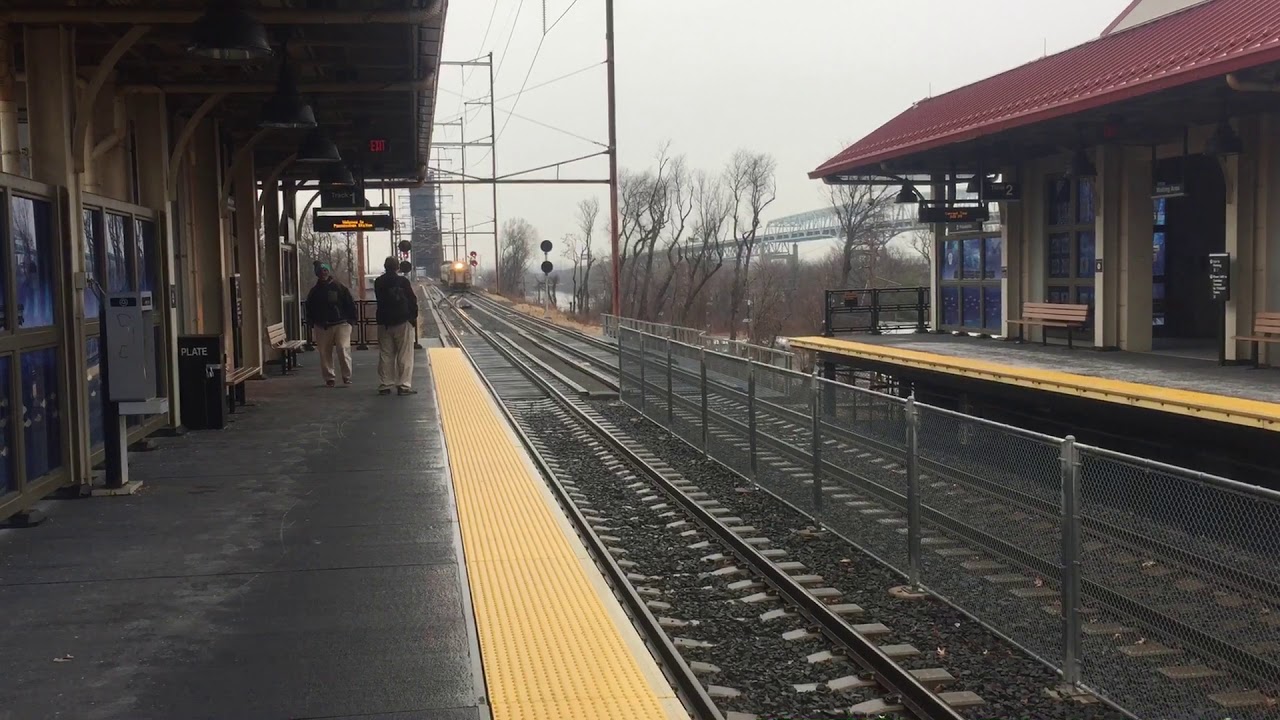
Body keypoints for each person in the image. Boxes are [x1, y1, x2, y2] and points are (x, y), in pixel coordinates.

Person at [305, 263, 357, 387]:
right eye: (320, 271)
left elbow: (350, 304)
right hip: (322, 325)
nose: (323, 273)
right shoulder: (314, 292)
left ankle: (347, 375)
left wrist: (351, 320)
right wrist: (312, 322)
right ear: (317, 274)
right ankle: (329, 377)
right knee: (324, 352)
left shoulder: (339, 287)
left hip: (342, 324)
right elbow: (309, 308)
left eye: (325, 270)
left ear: (328, 272)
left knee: (343, 348)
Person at [373, 257, 420, 395]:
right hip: (402, 322)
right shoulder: (403, 282)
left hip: (384, 323)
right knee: (405, 355)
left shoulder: (378, 282)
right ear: (397, 267)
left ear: (385, 266)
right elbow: (412, 300)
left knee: (386, 354)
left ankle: (385, 385)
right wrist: (412, 317)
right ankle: (404, 385)